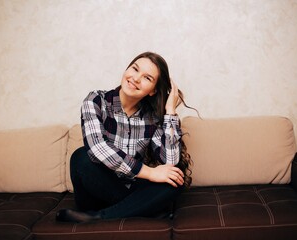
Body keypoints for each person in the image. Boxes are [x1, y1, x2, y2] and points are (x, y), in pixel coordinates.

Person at [56, 52, 195, 223]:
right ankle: (142, 210)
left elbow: (170, 160)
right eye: (135, 69)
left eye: (147, 78)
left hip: (131, 189)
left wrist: (170, 111)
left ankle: (100, 217)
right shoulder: (95, 100)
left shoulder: (153, 117)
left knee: (175, 178)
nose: (136, 78)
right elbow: (98, 148)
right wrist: (150, 173)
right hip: (96, 191)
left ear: (153, 91)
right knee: (80, 157)